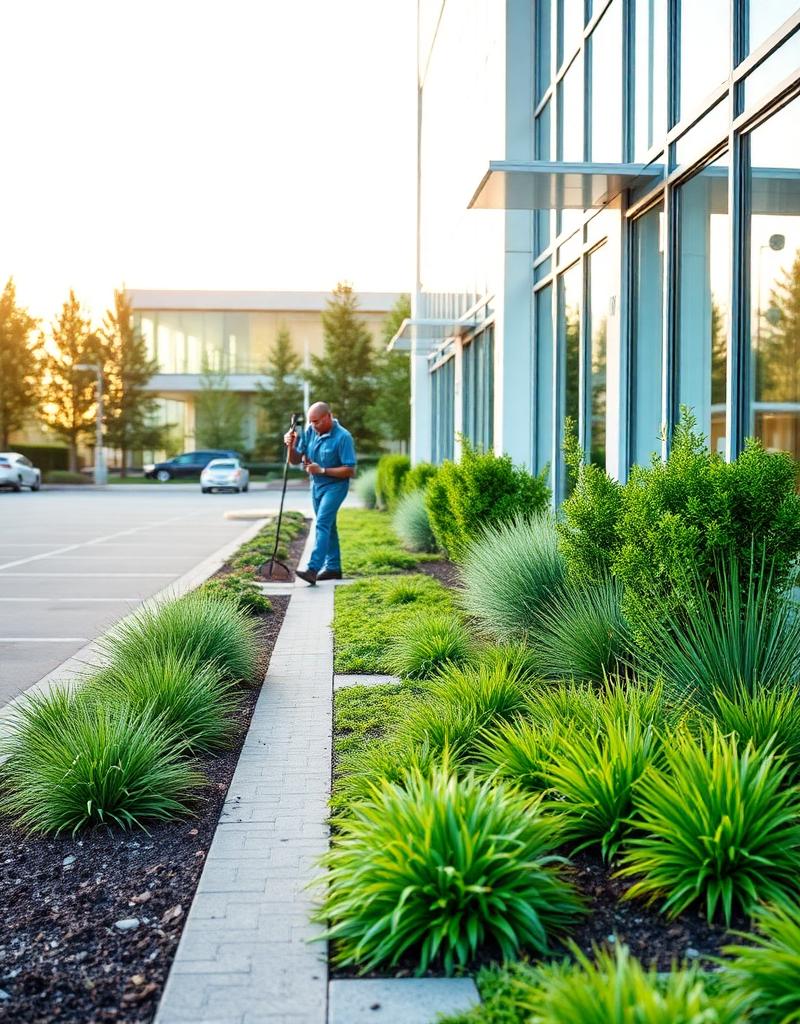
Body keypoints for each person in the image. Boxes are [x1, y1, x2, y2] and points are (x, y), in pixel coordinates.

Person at [284, 401, 356, 585]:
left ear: (328, 417)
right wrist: (290, 445)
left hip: (336, 487)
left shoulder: (343, 437)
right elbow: (294, 460)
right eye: (311, 422)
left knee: (322, 523)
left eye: (317, 421)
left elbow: (350, 470)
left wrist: (322, 470)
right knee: (329, 526)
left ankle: (313, 569)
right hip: (316, 486)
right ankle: (333, 568)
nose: (313, 425)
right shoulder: (310, 431)